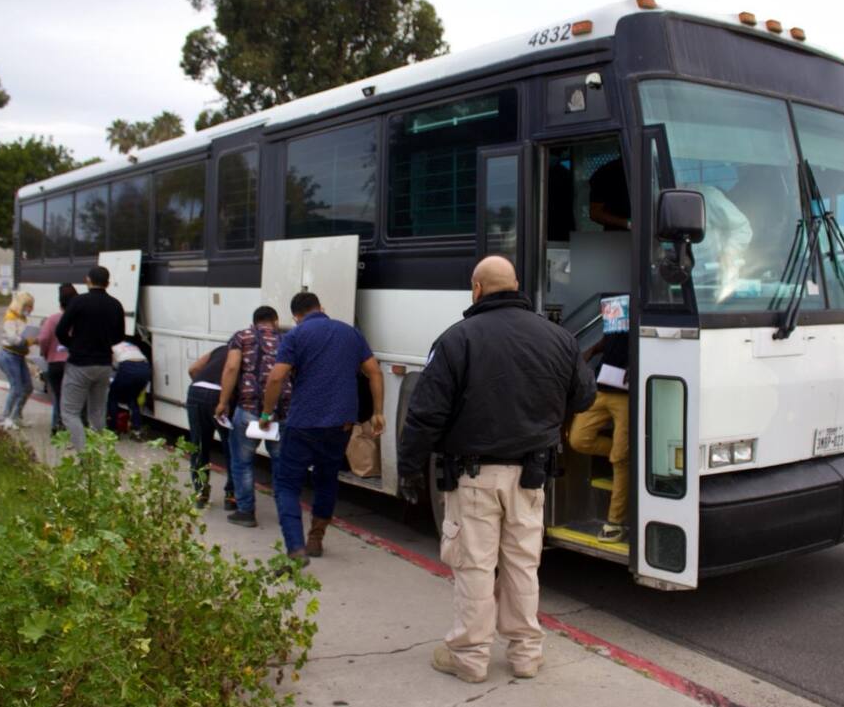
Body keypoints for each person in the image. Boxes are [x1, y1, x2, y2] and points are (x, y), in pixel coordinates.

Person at [397, 256, 595, 684]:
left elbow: (425, 414)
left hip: (473, 479)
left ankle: (469, 657)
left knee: (474, 567)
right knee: (523, 564)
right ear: (516, 285)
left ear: (476, 289)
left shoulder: (456, 339)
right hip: (531, 478)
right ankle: (525, 654)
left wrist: (409, 469)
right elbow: (584, 397)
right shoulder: (558, 338)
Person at [260, 292, 385, 561]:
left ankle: (296, 547)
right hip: (341, 425)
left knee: (287, 484)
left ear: (296, 317)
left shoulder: (295, 335)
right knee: (326, 480)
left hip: (303, 423)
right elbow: (374, 371)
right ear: (322, 308)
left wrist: (267, 414)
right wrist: (377, 412)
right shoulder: (350, 333)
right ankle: (316, 539)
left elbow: (276, 378)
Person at [214, 306, 291, 527]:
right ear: (275, 321)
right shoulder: (287, 339)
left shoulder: (242, 337)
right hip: (282, 411)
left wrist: (222, 402)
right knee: (282, 465)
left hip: (249, 409)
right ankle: (286, 514)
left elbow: (231, 368)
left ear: (254, 322)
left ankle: (246, 512)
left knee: (242, 462)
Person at [566, 293, 631, 542]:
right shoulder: (618, 304)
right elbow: (610, 340)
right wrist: (593, 350)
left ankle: (615, 522)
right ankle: (626, 454)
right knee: (578, 439)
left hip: (626, 393)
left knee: (620, 458)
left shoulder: (647, 308)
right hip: (603, 385)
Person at [56, 266, 125, 450]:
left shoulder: (78, 302)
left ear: (88, 280)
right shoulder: (116, 305)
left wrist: (73, 344)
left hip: (79, 363)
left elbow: (60, 330)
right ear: (108, 283)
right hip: (104, 365)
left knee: (70, 412)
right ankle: (99, 452)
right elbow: (119, 336)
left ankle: (84, 455)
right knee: (97, 413)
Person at [186, 344, 236, 509]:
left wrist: (203, 392)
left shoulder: (221, 349)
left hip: (196, 391)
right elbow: (232, 371)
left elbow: (193, 369)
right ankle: (231, 496)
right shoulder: (245, 352)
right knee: (231, 446)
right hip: (221, 395)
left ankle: (201, 493)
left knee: (199, 445)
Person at [37, 283, 79, 435]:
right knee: (73, 398)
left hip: (55, 363)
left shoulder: (53, 319)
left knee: (58, 396)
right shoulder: (80, 320)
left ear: (60, 302)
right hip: (75, 363)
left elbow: (43, 338)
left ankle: (56, 426)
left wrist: (45, 353)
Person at [0, 291, 37, 430]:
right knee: (16, 388)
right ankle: (6, 417)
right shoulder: (10, 317)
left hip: (19, 356)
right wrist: (29, 341)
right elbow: (13, 338)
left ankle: (16, 416)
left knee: (28, 387)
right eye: (28, 306)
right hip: (9, 355)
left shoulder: (22, 318)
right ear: (21, 305)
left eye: (31, 306)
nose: (31, 309)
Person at [107, 337, 151, 439]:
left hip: (127, 366)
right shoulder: (131, 345)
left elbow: (112, 367)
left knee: (112, 397)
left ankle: (113, 428)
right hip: (144, 368)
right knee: (132, 398)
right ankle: (137, 430)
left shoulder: (111, 347)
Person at [588, 155, 630, 231]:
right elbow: (595, 213)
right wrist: (627, 223)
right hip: (618, 235)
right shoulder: (607, 172)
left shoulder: (648, 169)